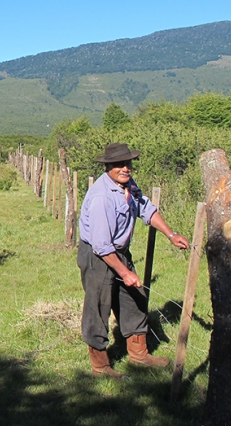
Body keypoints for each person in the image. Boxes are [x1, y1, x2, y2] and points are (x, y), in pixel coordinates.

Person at [78, 142, 189, 378]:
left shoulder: (127, 185)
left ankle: (139, 355)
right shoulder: (102, 197)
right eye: (119, 164)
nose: (125, 168)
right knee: (99, 305)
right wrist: (125, 272)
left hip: (118, 251)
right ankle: (101, 366)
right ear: (108, 167)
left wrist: (171, 235)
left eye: (127, 163)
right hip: (97, 256)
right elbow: (101, 245)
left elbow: (146, 209)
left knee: (135, 298)